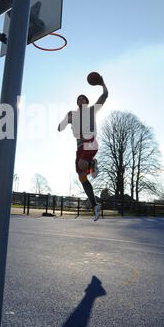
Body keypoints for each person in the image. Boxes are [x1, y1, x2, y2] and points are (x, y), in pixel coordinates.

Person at [58, 76, 108, 221]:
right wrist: (65, 120)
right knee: (81, 177)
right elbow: (59, 128)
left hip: (90, 143)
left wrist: (102, 84)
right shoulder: (73, 115)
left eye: (83, 98)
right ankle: (95, 205)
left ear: (87, 102)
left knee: (82, 163)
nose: (80, 100)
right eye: (78, 98)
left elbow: (104, 96)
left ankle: (92, 163)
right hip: (80, 148)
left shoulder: (92, 110)